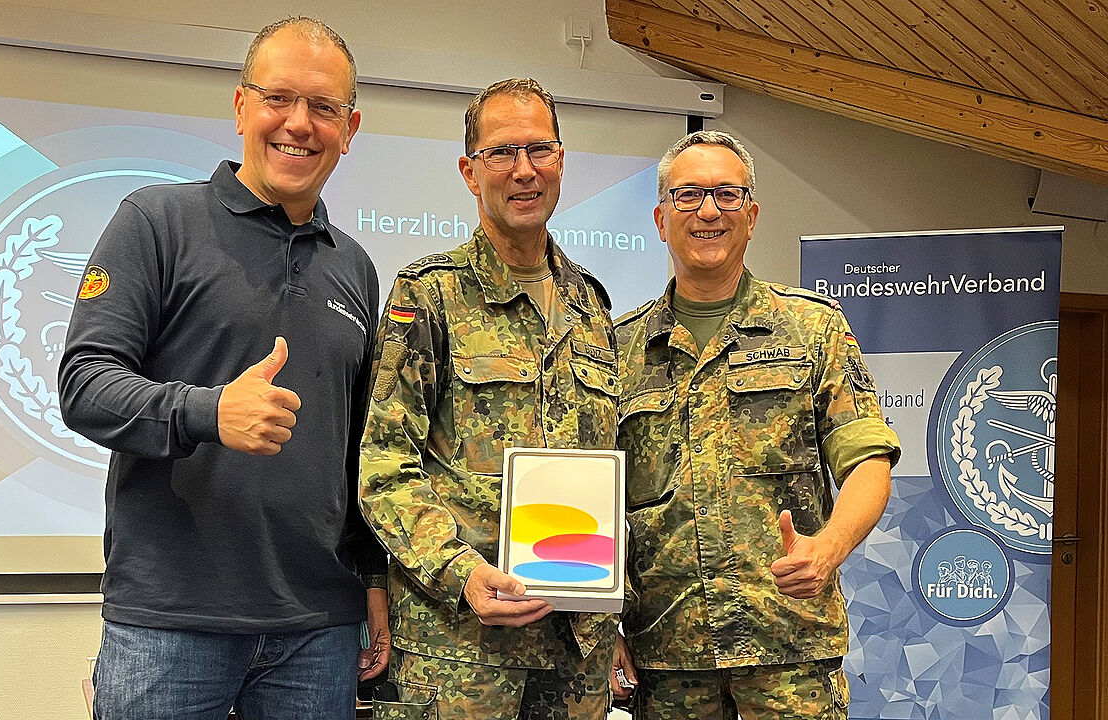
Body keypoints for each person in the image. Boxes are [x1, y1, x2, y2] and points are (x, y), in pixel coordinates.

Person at [58, 17, 389, 720]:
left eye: (325, 107)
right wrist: (209, 411)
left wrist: (372, 580)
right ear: (241, 105)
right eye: (279, 98)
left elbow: (361, 452)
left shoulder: (355, 267)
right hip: (169, 624)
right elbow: (85, 384)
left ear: (350, 126)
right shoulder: (155, 221)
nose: (299, 124)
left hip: (319, 630)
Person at [611, 130, 901, 719]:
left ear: (752, 216)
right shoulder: (617, 351)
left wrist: (828, 548)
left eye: (726, 194)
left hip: (788, 646)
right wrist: (602, 624)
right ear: (661, 218)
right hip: (667, 655)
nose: (709, 211)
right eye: (689, 195)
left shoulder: (812, 329)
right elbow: (592, 497)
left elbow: (867, 461)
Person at [358, 78, 620, 719]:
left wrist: (621, 610)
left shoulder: (592, 304)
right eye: (502, 153)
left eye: (539, 150)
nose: (523, 171)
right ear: (470, 172)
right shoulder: (429, 295)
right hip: (462, 658)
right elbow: (383, 467)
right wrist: (460, 572)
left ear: (562, 160)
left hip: (576, 652)